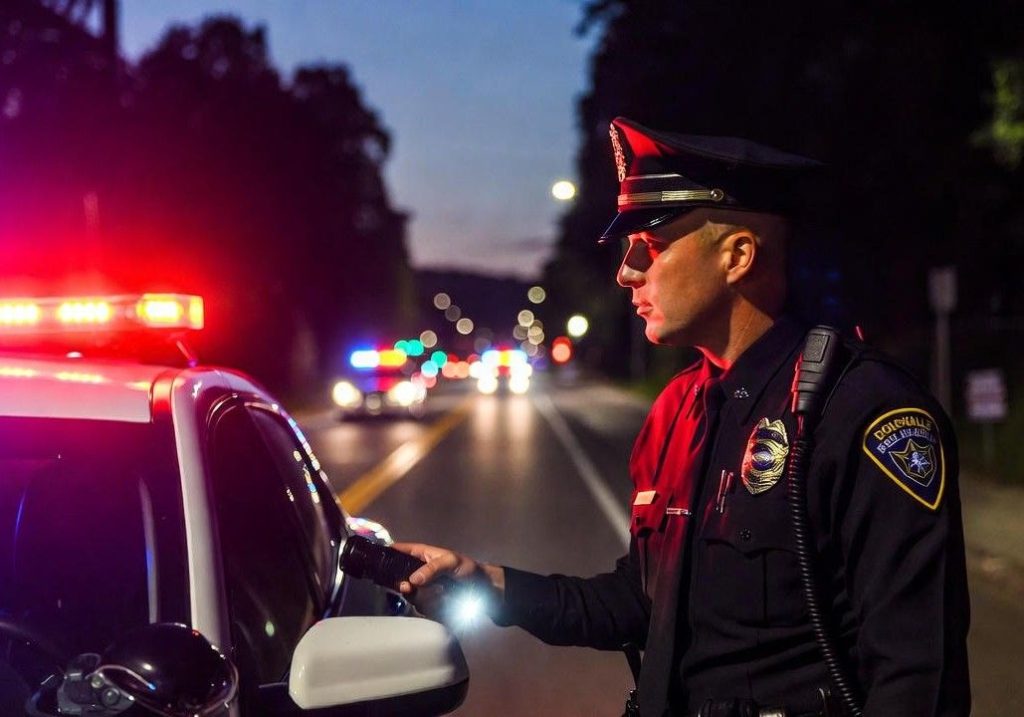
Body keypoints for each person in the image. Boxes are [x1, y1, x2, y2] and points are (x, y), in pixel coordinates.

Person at [395, 117, 971, 717]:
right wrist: (488, 585)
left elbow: (917, 679)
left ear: (738, 256)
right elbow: (644, 604)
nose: (626, 273)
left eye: (651, 245)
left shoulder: (863, 412)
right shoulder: (678, 410)